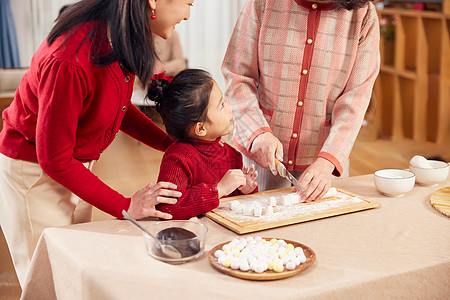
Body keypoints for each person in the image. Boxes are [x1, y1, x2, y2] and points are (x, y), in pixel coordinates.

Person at [0, 0, 194, 287]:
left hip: (75, 167)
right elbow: (54, 159)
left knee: (73, 272)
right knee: (47, 283)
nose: (189, 15)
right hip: (35, 177)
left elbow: (117, 106)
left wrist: (170, 145)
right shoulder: (70, 59)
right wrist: (126, 206)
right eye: (189, 3)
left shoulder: (115, 37)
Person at [222, 0, 380, 201]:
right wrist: (257, 133)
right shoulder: (263, 3)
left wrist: (327, 161)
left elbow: (355, 100)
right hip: (261, 156)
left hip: (323, 164)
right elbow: (237, 76)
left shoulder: (363, 15)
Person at [147, 69, 258, 220]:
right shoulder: (178, 158)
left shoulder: (233, 155)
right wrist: (218, 190)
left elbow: (233, 206)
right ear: (201, 128)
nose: (230, 108)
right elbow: (166, 208)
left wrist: (245, 189)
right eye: (221, 105)